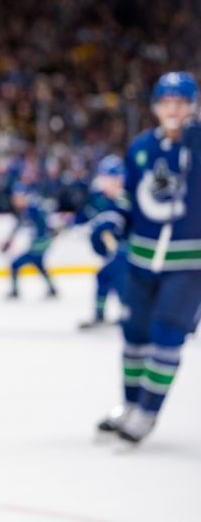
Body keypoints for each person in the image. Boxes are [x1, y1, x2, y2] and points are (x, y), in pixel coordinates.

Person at [97, 71, 201, 444]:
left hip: (189, 265)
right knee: (135, 335)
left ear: (192, 105)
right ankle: (130, 405)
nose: (173, 109)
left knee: (166, 334)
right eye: (166, 101)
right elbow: (129, 200)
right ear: (156, 106)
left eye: (181, 102)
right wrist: (111, 218)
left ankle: (148, 412)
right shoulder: (142, 146)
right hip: (141, 260)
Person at [74, 154, 128, 329]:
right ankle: (110, 314)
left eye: (108, 178)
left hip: (129, 252)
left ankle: (128, 315)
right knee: (107, 277)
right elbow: (89, 217)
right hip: (117, 252)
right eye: (103, 177)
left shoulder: (126, 199)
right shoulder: (102, 198)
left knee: (113, 277)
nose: (104, 182)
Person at [1, 183, 58, 299]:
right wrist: (9, 241)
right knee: (39, 264)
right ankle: (52, 289)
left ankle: (15, 291)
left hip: (39, 244)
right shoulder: (27, 209)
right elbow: (19, 226)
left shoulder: (33, 209)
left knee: (15, 264)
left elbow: (45, 224)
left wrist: (48, 233)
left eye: (17, 198)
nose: (15, 201)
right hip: (39, 243)